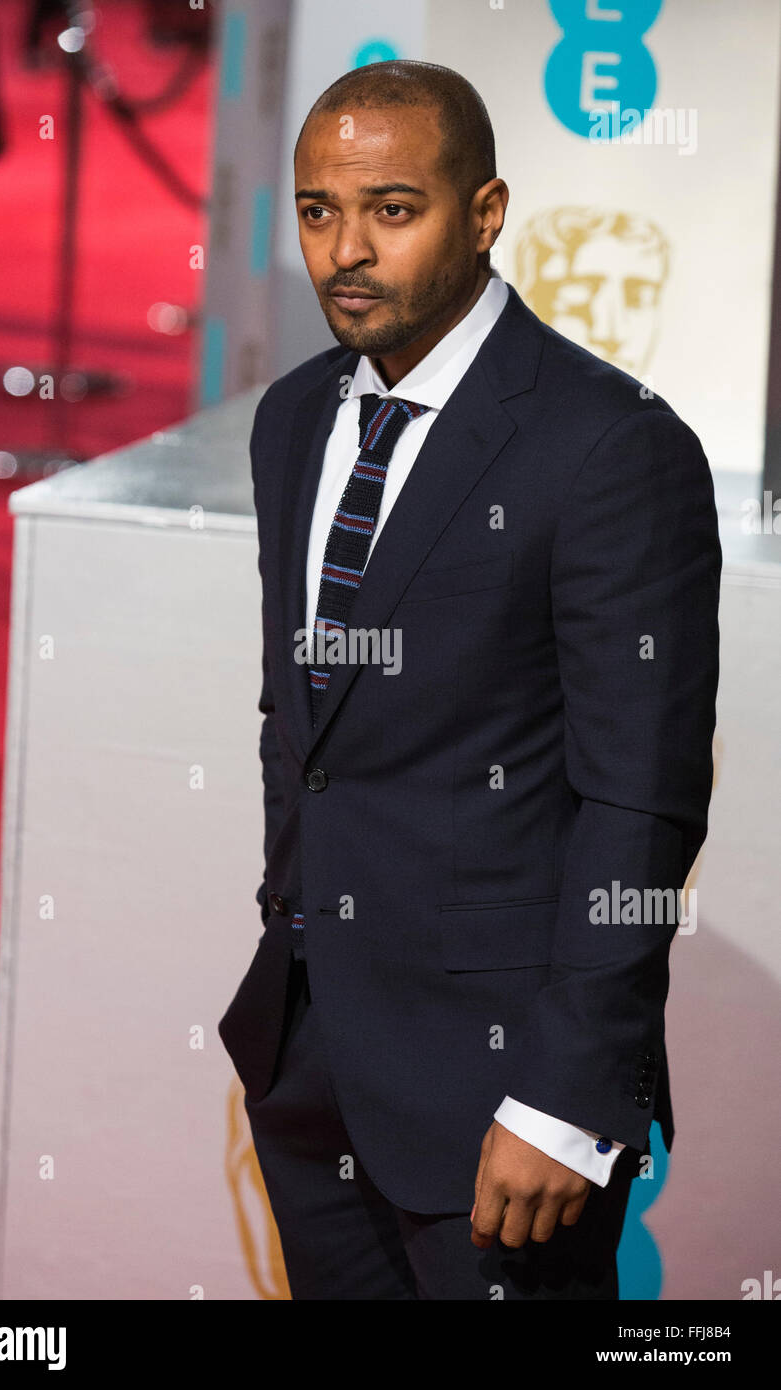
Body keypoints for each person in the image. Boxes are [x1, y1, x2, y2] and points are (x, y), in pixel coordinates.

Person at [218, 59, 721, 1301]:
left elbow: (638, 804)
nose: (346, 249)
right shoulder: (291, 417)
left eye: (393, 210)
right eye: (317, 210)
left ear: (485, 212)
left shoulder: (610, 446)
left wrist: (566, 1097)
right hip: (311, 1062)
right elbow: (313, 731)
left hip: (502, 1100)